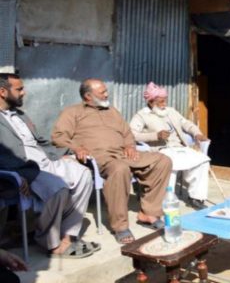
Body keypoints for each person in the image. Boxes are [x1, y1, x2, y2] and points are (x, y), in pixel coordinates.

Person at [51, 79, 172, 244]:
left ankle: (149, 213)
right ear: (88, 96)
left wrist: (130, 145)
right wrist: (76, 147)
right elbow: (58, 137)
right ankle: (120, 226)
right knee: (120, 169)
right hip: (99, 157)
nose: (107, 94)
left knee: (162, 161)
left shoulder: (112, 111)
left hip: (123, 153)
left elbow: (127, 133)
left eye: (106, 90)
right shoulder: (73, 112)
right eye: (102, 92)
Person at [0, 73, 98, 258]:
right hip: (24, 167)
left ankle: (68, 235)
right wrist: (19, 174)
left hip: (45, 160)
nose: (24, 92)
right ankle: (50, 243)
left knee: (84, 174)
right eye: (19, 89)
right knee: (58, 188)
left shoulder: (20, 115)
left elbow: (40, 141)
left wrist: (66, 153)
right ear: (3, 92)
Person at [129, 82, 211, 209]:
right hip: (161, 150)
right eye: (160, 102)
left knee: (202, 161)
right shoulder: (142, 115)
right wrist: (155, 135)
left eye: (165, 100)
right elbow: (132, 134)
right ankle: (166, 199)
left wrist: (197, 134)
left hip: (180, 148)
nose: (164, 104)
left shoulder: (171, 111)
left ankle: (196, 197)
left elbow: (186, 124)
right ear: (151, 102)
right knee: (169, 164)